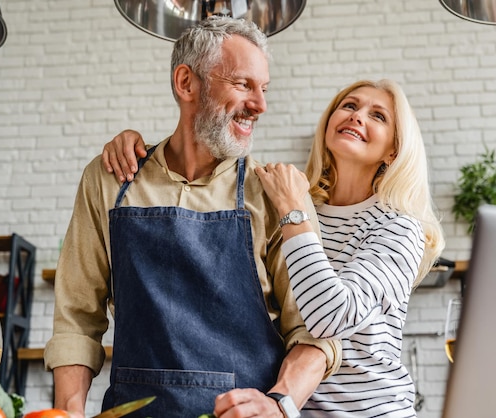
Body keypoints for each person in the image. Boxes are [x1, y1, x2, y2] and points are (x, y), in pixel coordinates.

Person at [44, 16, 341, 418]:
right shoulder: (112, 178)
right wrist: (68, 412)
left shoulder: (275, 194)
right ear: (187, 83)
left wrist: (279, 405)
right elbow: (76, 320)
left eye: (264, 88)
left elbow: (315, 332)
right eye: (243, 84)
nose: (260, 105)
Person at [103, 78, 446, 417]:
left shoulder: (398, 227)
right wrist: (141, 151)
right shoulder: (298, 203)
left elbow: (332, 319)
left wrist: (292, 212)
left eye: (378, 116)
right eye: (350, 106)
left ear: (393, 149)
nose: (358, 116)